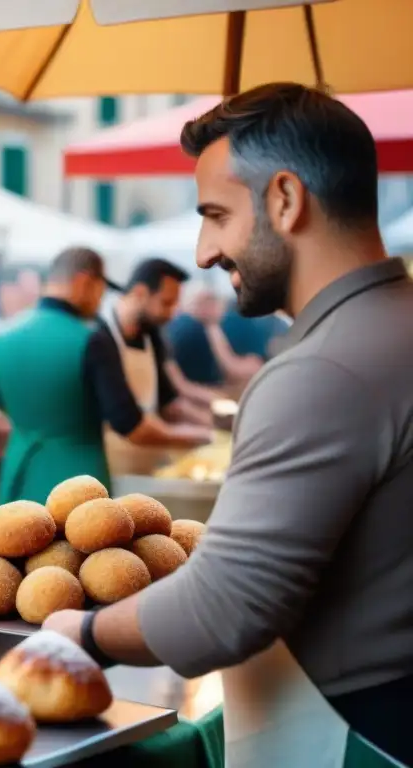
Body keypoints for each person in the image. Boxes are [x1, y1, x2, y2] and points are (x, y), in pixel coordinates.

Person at [43, 83, 413, 767]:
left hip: (351, 738)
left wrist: (84, 629)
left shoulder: (322, 368)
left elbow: (224, 611)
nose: (205, 250)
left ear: (285, 199)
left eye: (215, 214)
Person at [0, 248, 210, 505]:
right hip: (78, 483)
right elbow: (129, 424)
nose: (101, 299)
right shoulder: (91, 338)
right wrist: (198, 436)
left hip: (18, 475)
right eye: (101, 289)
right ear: (84, 282)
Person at [101, 258, 218, 475]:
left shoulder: (151, 335)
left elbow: (169, 402)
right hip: (109, 464)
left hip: (148, 463)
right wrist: (202, 435)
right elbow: (129, 424)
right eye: (166, 303)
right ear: (140, 293)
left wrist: (215, 426)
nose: (172, 313)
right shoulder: (100, 336)